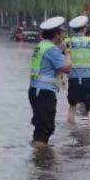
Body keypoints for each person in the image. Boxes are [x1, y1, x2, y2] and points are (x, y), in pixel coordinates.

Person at [29, 16, 71, 147]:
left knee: (40, 126)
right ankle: (41, 159)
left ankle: (37, 157)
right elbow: (67, 68)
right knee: (46, 128)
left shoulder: (41, 46)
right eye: (61, 33)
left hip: (35, 90)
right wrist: (67, 52)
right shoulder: (51, 49)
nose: (62, 36)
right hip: (44, 93)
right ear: (56, 35)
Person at [64, 15, 90, 127]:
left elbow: (61, 58)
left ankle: (70, 129)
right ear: (84, 29)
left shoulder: (67, 42)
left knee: (72, 105)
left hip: (73, 78)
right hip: (88, 78)